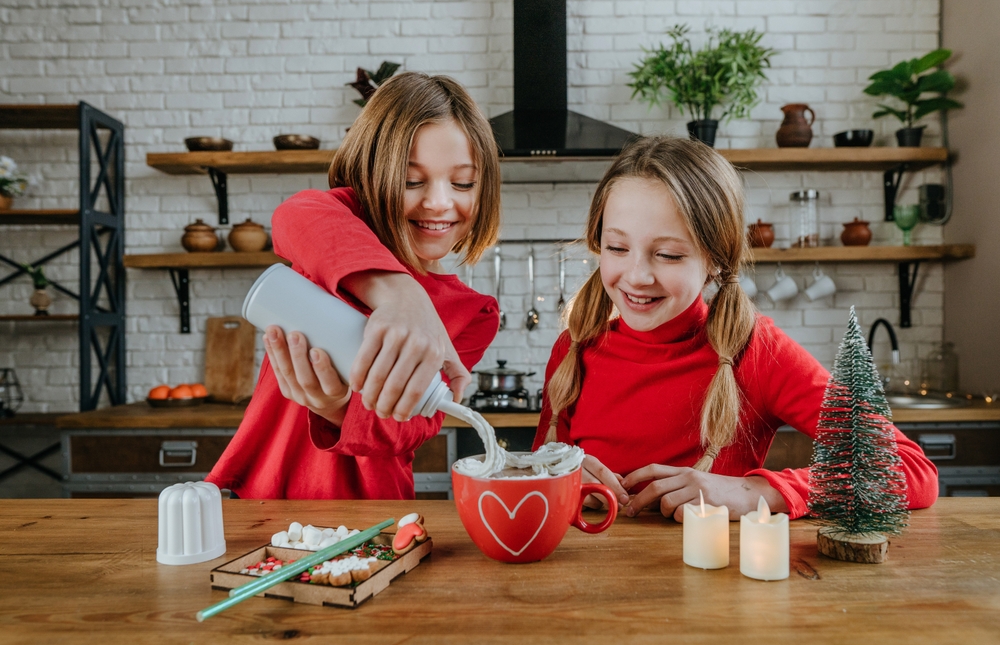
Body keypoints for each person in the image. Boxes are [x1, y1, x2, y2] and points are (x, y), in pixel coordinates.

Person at [532, 136, 937, 520]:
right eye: (617, 248)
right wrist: (557, 478)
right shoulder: (572, 349)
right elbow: (534, 484)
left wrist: (755, 493)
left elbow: (913, 471)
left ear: (714, 261)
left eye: (669, 255)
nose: (636, 276)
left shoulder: (757, 351)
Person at [207, 72, 501, 499]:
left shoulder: (472, 313)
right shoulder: (335, 238)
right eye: (411, 180)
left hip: (373, 513)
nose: (439, 202)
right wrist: (402, 294)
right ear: (370, 176)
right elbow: (295, 214)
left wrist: (336, 408)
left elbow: (410, 428)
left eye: (462, 183)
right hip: (266, 496)